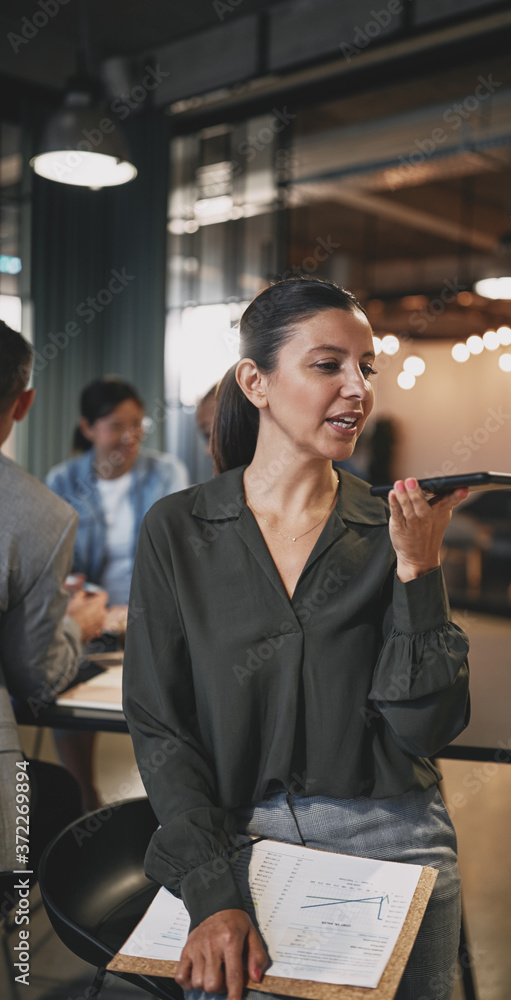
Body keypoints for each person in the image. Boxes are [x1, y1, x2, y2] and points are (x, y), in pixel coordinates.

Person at [122, 278, 471, 1000]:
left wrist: (419, 571)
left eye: (365, 368)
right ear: (255, 381)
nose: (357, 389)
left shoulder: (391, 527)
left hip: (392, 836)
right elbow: (161, 726)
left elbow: (426, 727)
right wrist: (214, 893)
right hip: (236, 838)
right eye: (327, 365)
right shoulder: (177, 529)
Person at [45, 375, 189, 810]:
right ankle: (86, 796)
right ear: (88, 428)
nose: (129, 438)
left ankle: (167, 802)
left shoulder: (166, 472)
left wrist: (137, 611)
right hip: (94, 614)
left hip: (154, 608)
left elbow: (176, 555)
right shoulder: (64, 480)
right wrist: (91, 604)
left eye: (137, 425)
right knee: (65, 681)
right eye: (115, 426)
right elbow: (61, 564)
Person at [0, 321, 107, 879]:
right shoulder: (40, 512)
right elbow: (33, 682)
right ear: (25, 404)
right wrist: (77, 626)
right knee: (59, 794)